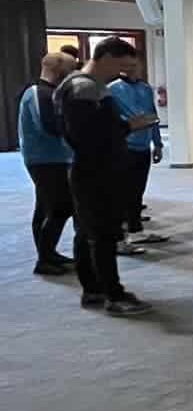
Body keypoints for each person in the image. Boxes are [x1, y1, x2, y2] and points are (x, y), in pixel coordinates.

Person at [54, 38, 155, 316]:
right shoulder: (84, 88)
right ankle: (113, 294)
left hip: (95, 168)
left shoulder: (87, 86)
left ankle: (94, 289)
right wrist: (127, 127)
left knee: (89, 231)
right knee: (102, 235)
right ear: (107, 57)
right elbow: (87, 136)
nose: (124, 72)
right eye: (122, 65)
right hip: (95, 170)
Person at [19, 51, 77, 276]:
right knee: (61, 207)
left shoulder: (52, 92)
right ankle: (44, 259)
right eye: (70, 69)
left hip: (56, 157)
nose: (73, 73)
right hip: (44, 159)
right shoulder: (38, 92)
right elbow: (49, 126)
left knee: (46, 207)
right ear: (57, 67)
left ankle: (48, 254)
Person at [108, 57, 165, 247]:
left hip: (143, 146)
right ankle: (122, 233)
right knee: (125, 191)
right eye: (127, 65)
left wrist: (157, 143)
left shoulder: (146, 88)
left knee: (138, 190)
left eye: (134, 65)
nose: (131, 69)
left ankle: (136, 230)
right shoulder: (112, 89)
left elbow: (153, 115)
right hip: (125, 146)